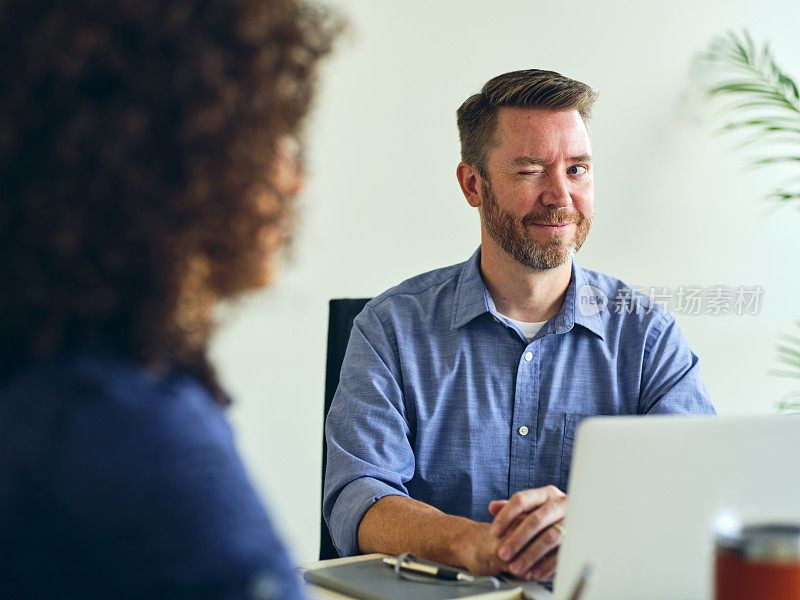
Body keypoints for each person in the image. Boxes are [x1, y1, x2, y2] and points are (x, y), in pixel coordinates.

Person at [0, 1, 338, 598]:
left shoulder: (40, 380)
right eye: (269, 135)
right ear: (174, 159)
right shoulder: (129, 435)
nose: (295, 178)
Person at [323, 69, 715, 582]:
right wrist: (473, 543)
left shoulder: (646, 333)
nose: (560, 196)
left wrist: (591, 521)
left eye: (576, 170)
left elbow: (696, 485)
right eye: (530, 171)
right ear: (472, 184)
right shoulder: (390, 328)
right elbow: (359, 496)